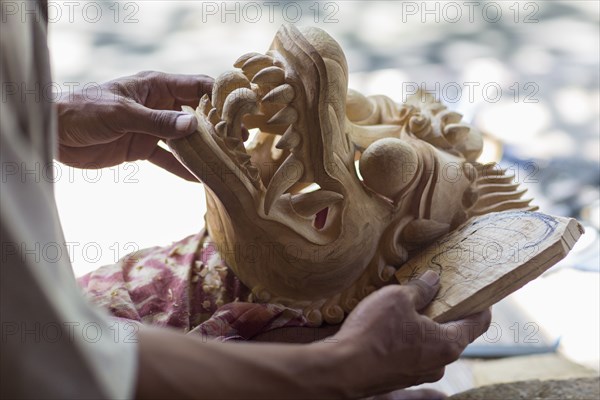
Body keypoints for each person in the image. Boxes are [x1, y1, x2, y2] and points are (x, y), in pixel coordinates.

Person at [1, 2, 491, 399]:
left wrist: (37, 118)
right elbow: (40, 358)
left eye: (387, 163)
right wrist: (340, 368)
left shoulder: (291, 330)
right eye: (353, 113)